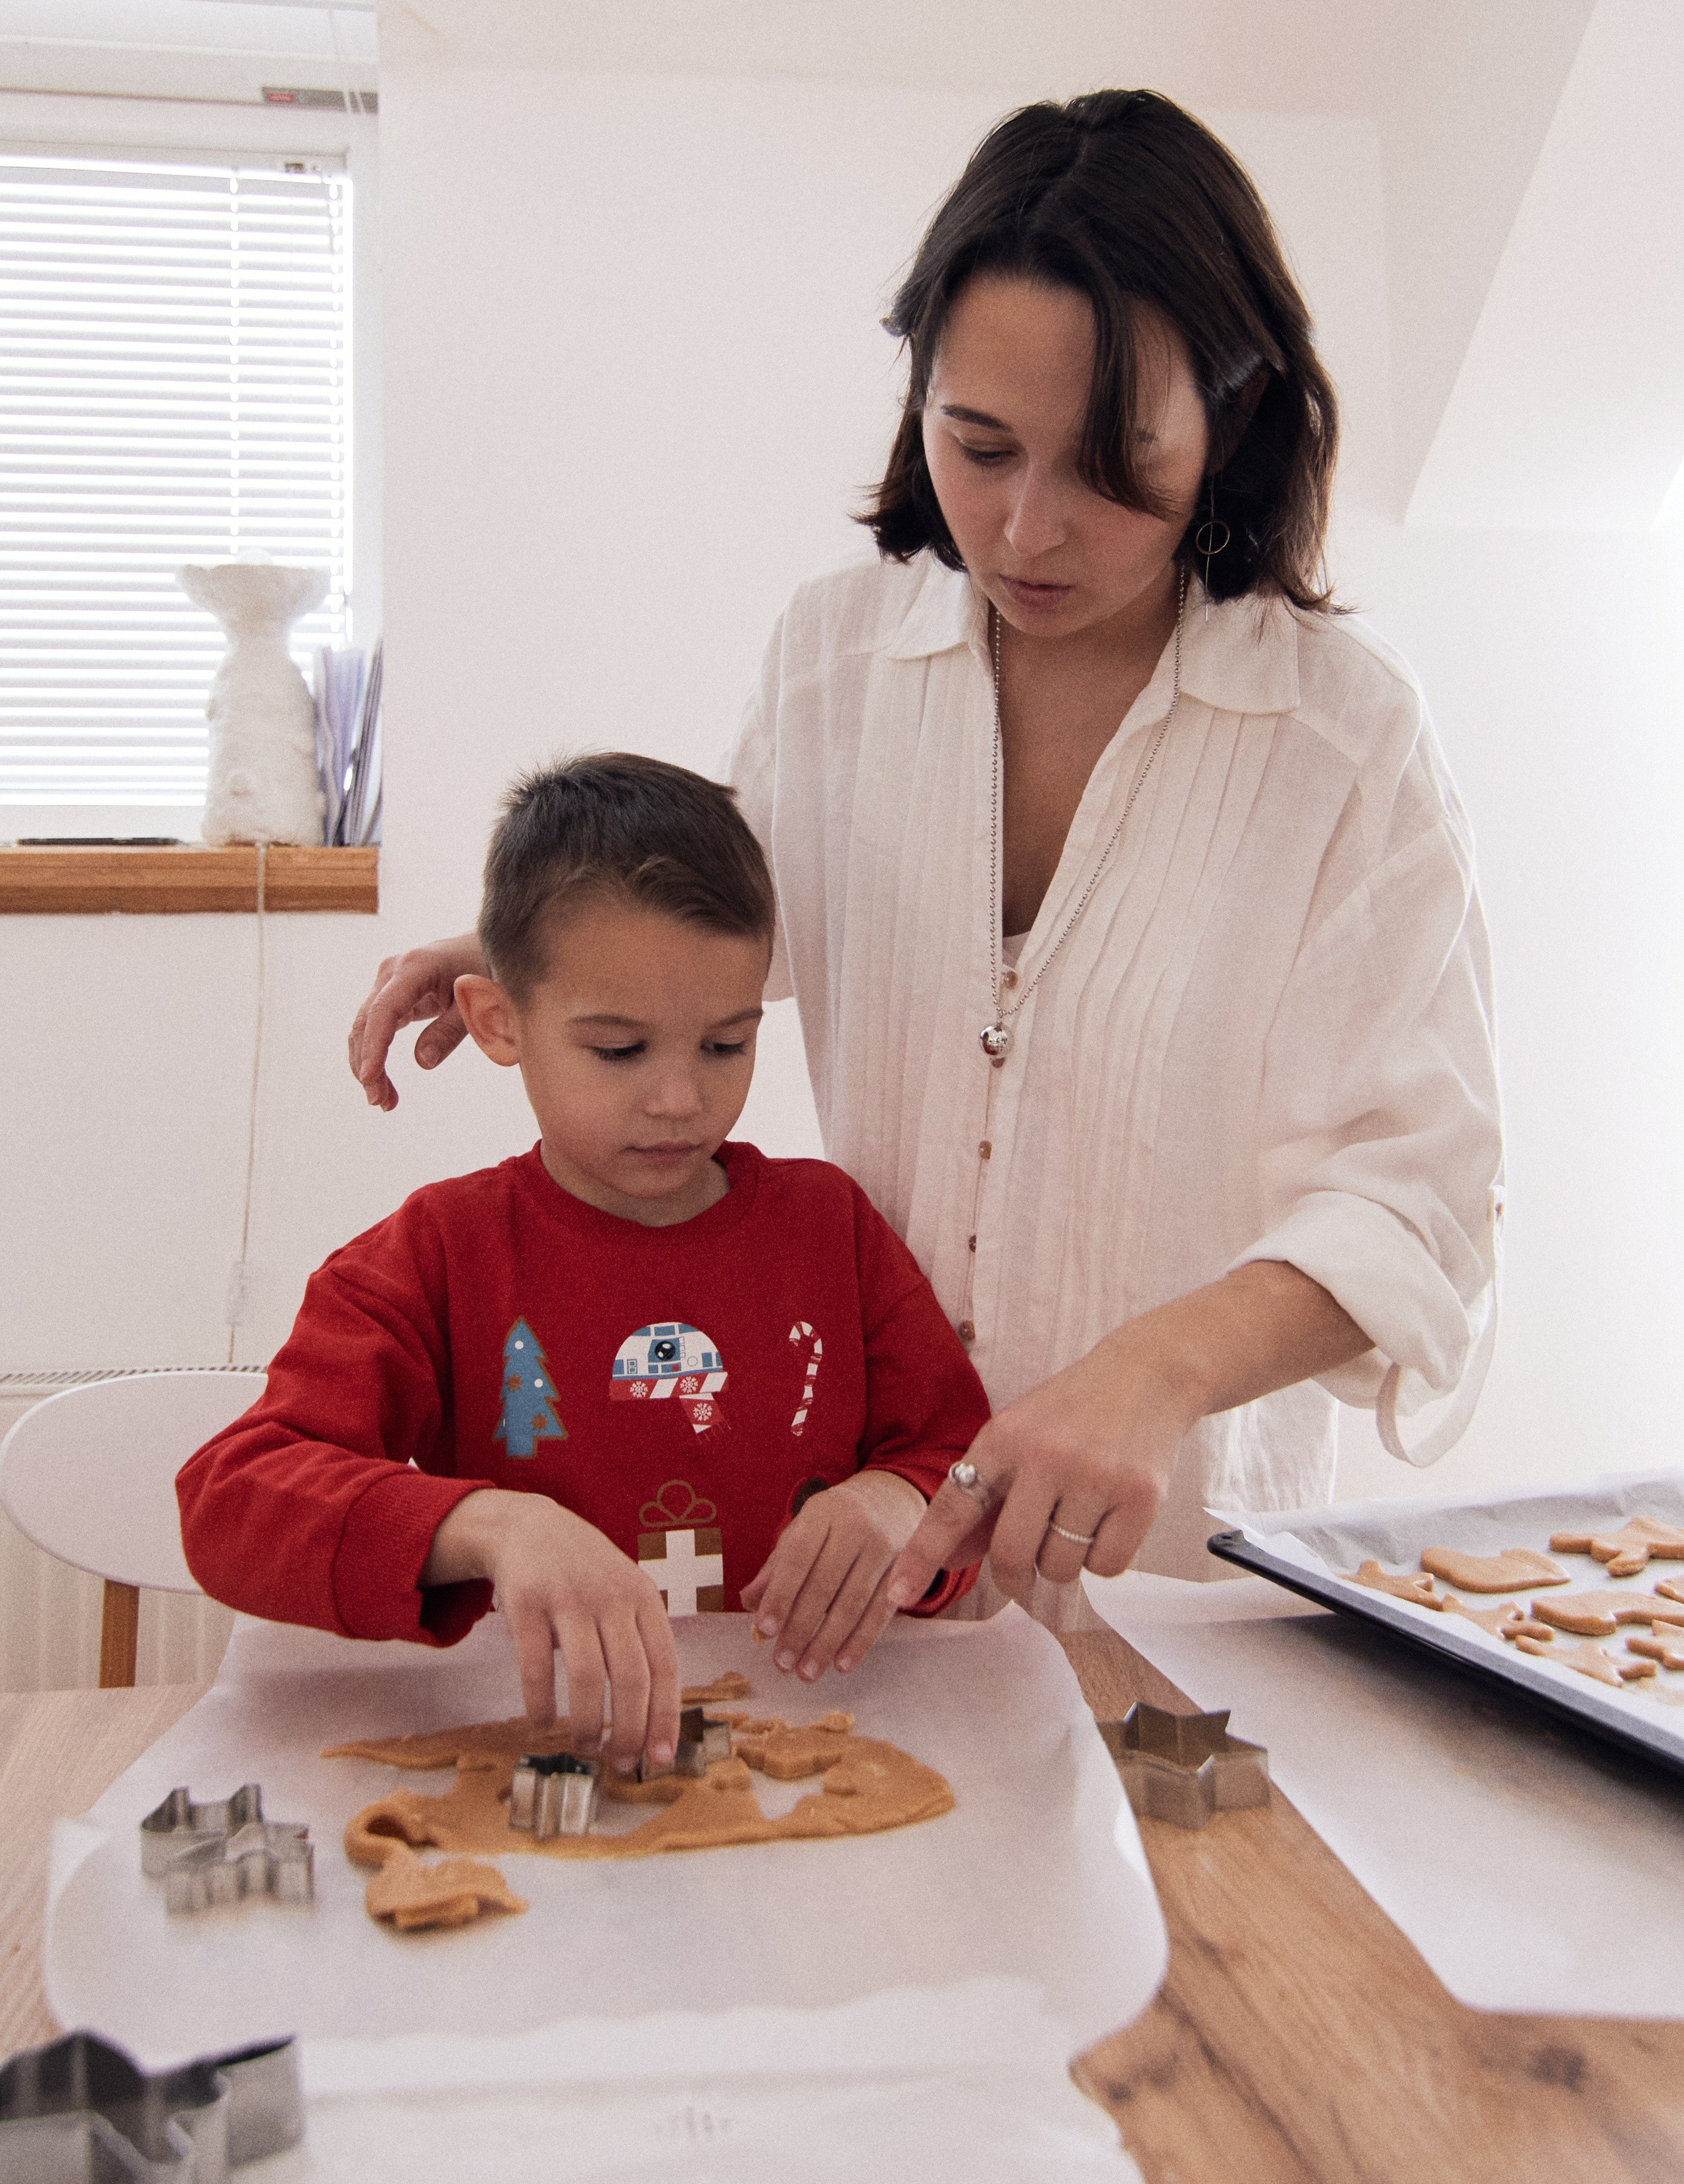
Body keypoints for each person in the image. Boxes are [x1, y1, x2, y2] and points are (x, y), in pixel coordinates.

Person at [349, 89, 1502, 1649]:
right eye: (978, 445)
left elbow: (1417, 1201)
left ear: (1228, 419)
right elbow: (737, 927)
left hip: (1180, 1575)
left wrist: (1150, 1368)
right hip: (867, 1541)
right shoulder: (837, 654)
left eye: (1109, 463)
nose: (1027, 527)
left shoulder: (1337, 741)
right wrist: (514, 954)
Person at [180, 756, 990, 1772]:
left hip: (808, 1755)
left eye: (726, 1046)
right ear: (498, 1023)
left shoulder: (829, 1226)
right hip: (551, 1765)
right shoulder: (437, 1253)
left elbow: (966, 1465)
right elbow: (232, 1499)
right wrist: (487, 1526)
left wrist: (900, 1502)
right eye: (620, 1051)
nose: (680, 1101)